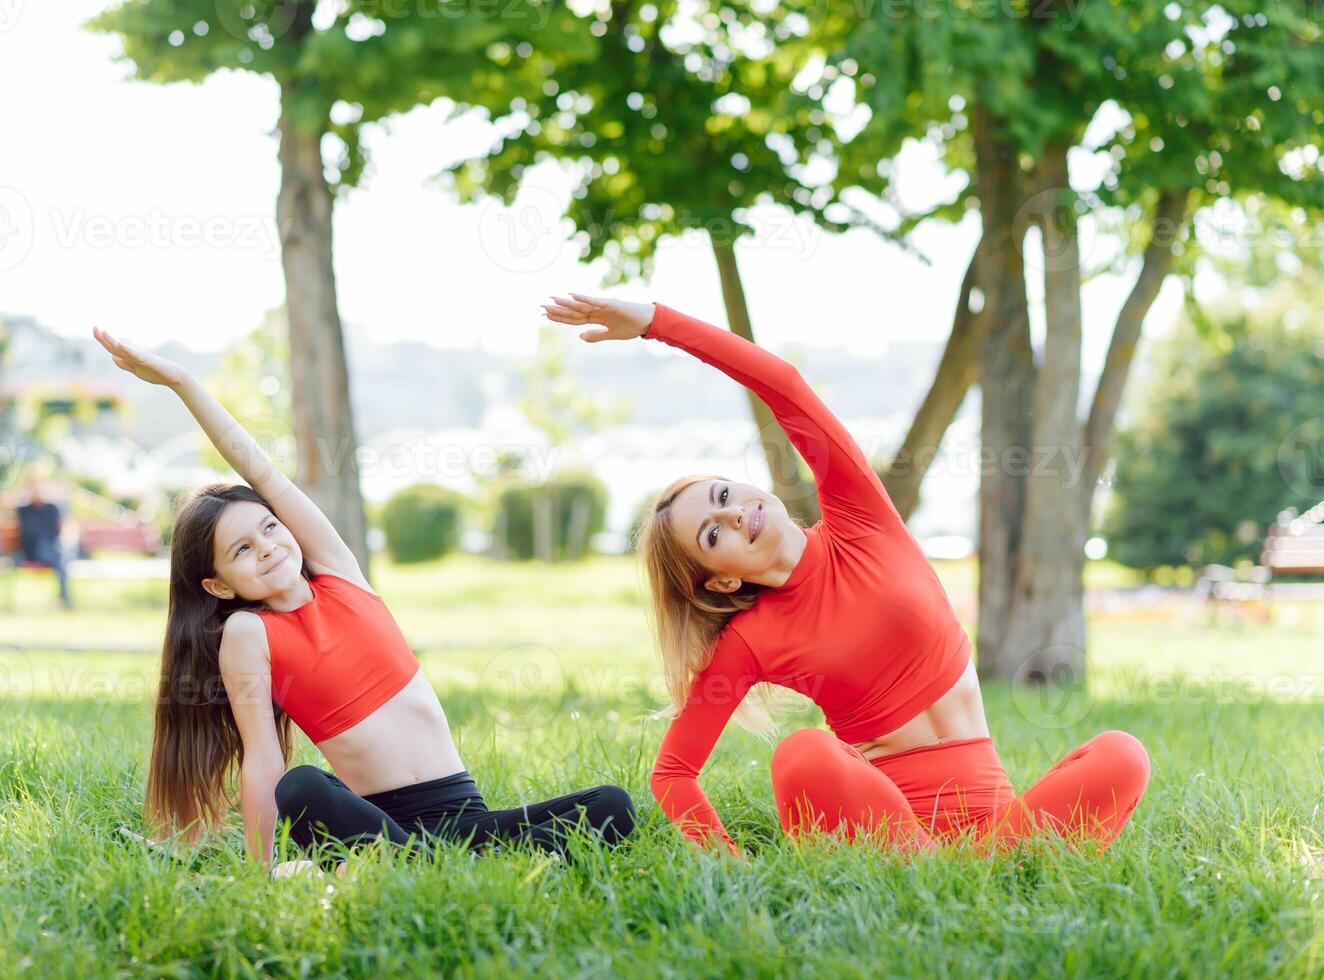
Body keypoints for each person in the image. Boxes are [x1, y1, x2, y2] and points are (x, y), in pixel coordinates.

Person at [541, 294, 1150, 856]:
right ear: (720, 582)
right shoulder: (751, 641)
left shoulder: (861, 517)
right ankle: (951, 874)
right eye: (712, 534)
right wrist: (729, 868)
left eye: (723, 492)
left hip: (1000, 821)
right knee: (803, 753)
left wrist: (655, 321)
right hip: (885, 829)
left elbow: (782, 385)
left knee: (1123, 753)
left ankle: (973, 870)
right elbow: (673, 774)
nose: (731, 512)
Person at [92, 327, 635, 873]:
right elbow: (263, 760)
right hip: (380, 823)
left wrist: (184, 382)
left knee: (612, 805)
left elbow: (261, 470)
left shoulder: (341, 574)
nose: (267, 547)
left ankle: (444, 867)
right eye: (241, 549)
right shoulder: (249, 633)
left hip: (466, 815)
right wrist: (262, 875)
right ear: (219, 586)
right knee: (302, 787)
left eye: (269, 528)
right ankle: (434, 866)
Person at [17, 472, 72, 609]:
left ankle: (64, 598)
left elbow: (56, 532)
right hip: (33, 550)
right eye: (32, 486)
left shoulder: (52, 508)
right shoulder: (24, 510)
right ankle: (64, 598)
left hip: (50, 548)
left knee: (60, 557)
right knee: (59, 558)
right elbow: (29, 533)